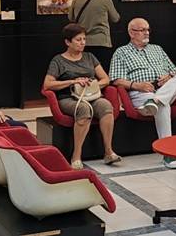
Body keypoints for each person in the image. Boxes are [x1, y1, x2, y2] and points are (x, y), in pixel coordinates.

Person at [109, 18, 176, 169]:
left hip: (164, 89)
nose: (147, 33)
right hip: (141, 93)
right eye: (142, 30)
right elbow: (116, 80)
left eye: (148, 30)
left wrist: (168, 77)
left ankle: (155, 102)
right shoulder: (121, 52)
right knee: (163, 105)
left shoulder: (157, 49)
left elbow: (173, 70)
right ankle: (168, 153)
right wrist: (137, 85)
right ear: (132, 33)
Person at [43, 24, 121, 169]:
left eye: (84, 39)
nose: (83, 43)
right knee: (84, 109)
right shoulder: (58, 60)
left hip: (91, 95)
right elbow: (47, 84)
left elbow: (105, 79)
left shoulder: (90, 57)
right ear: (68, 42)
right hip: (68, 98)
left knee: (106, 106)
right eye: (78, 40)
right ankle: (76, 155)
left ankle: (108, 151)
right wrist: (73, 82)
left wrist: (92, 83)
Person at [69, 0, 120, 68]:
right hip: (101, 41)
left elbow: (71, 18)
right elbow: (115, 18)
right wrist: (108, 0)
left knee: (84, 71)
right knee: (101, 72)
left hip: (82, 42)